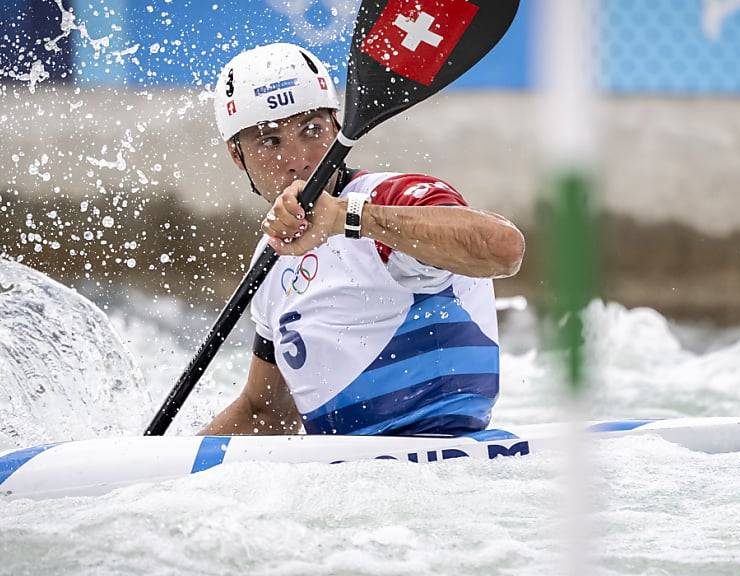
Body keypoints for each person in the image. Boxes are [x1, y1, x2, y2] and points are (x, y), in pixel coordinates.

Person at [199, 43, 525, 437]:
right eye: (270, 142)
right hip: (352, 486)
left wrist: (348, 217)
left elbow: (504, 249)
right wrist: (162, 472)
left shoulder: (391, 197)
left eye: (311, 130)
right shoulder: (270, 259)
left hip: (447, 469)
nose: (298, 159)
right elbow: (264, 413)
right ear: (238, 156)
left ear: (336, 128)